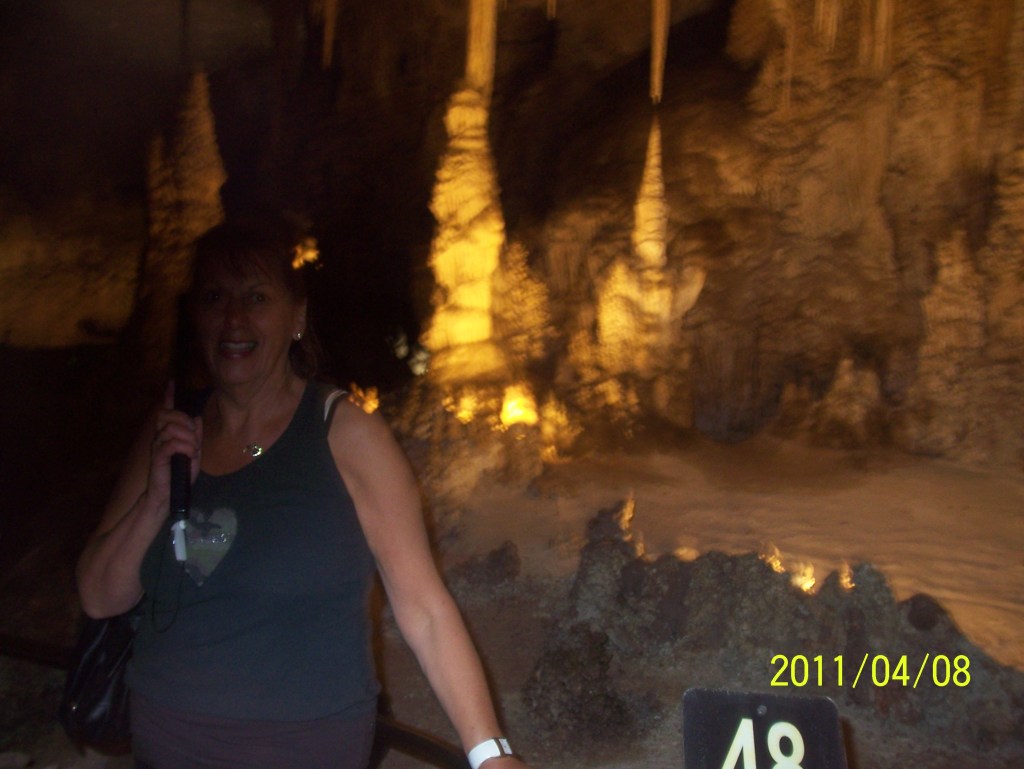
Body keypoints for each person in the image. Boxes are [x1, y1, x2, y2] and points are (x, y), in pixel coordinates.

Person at [75, 219, 531, 769]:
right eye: (216, 297)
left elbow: (424, 608)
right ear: (196, 315)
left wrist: (490, 754)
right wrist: (154, 500)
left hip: (300, 744)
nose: (234, 318)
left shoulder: (346, 435)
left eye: (257, 297)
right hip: (165, 740)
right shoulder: (168, 432)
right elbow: (100, 597)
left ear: (297, 317)